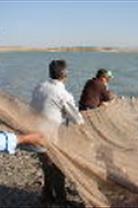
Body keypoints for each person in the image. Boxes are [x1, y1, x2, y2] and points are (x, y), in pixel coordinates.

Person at [31, 60, 84, 205]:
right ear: (65, 74)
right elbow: (78, 120)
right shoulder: (63, 94)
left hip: (34, 135)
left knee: (47, 167)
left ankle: (46, 196)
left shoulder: (39, 87)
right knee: (58, 169)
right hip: (49, 138)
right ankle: (61, 201)